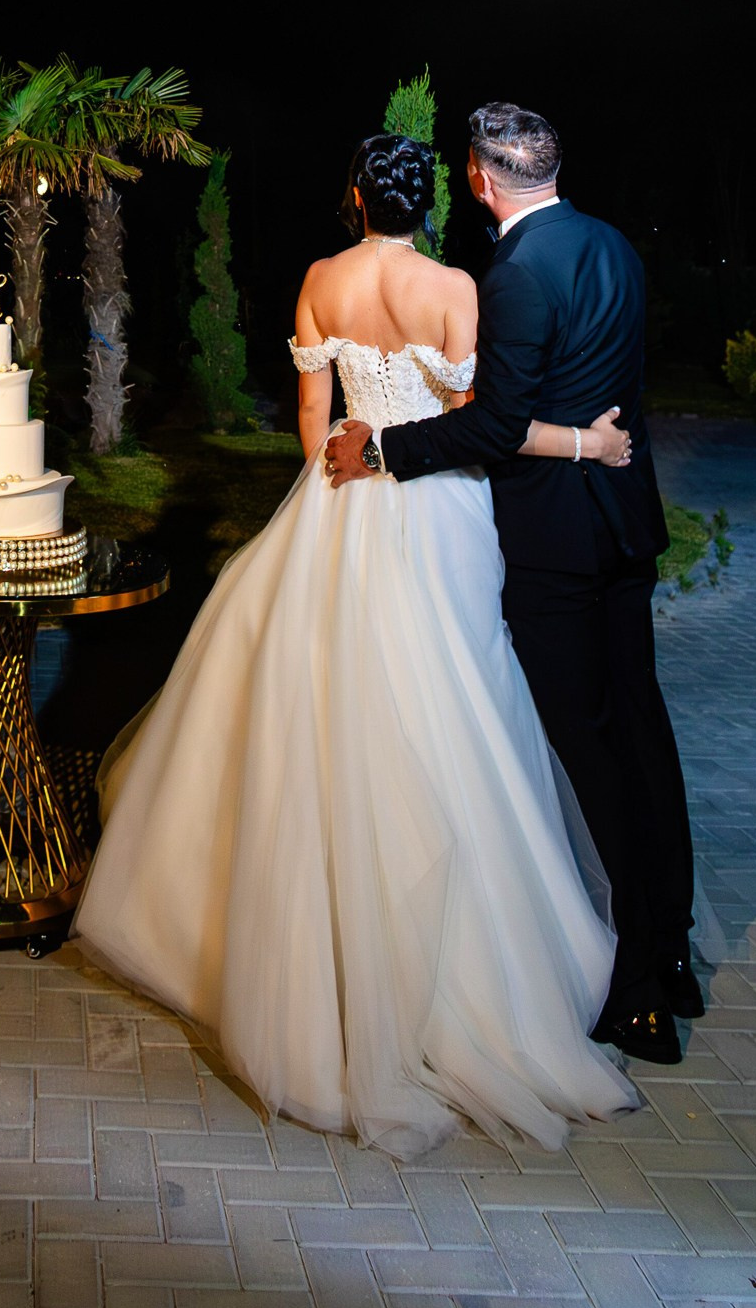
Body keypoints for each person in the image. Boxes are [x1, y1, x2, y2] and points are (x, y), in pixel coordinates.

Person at [74, 131, 639, 1155]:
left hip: (334, 506)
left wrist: (332, 483)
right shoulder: (455, 287)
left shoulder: (319, 279)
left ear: (351, 196)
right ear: (426, 200)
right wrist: (587, 442)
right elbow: (484, 428)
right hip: (438, 517)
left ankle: (315, 969)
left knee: (320, 723)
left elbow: (310, 410)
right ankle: (451, 979)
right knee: (444, 716)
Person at [325, 103, 699, 1063]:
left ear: (483, 181)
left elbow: (494, 428)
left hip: (560, 546)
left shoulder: (518, 275)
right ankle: (677, 946)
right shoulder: (613, 245)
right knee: (645, 730)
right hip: (625, 521)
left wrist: (383, 450)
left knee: (592, 751)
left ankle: (643, 985)